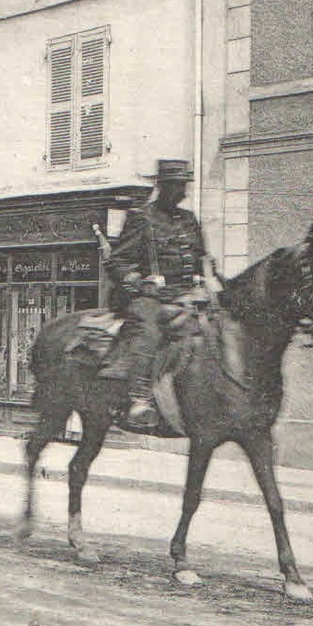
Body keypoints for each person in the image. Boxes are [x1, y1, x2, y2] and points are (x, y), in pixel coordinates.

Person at [104, 158, 210, 429]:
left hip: (185, 296)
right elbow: (117, 261)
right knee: (149, 330)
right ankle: (139, 399)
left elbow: (200, 260)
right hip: (148, 297)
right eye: (176, 186)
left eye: (184, 185)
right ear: (162, 187)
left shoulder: (189, 220)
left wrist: (205, 283)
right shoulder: (143, 217)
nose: (182, 192)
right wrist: (142, 283)